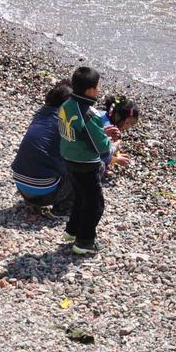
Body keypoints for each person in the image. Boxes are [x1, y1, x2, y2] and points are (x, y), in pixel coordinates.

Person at [57, 66, 119, 255]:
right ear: (91, 90)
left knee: (80, 197)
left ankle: (72, 230)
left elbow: (79, 131)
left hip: (68, 158)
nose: (99, 91)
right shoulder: (90, 114)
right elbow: (102, 149)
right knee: (94, 204)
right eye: (98, 87)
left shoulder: (66, 105)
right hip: (86, 164)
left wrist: (101, 132)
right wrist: (113, 144)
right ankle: (84, 242)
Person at [10, 80, 74, 216]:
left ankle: (32, 198)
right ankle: (62, 208)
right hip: (44, 192)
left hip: (21, 185)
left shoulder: (40, 115)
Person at [99, 95, 139, 175]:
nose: (128, 127)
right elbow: (100, 152)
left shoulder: (103, 114)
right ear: (117, 116)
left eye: (132, 124)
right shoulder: (108, 127)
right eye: (127, 123)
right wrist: (116, 159)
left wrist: (116, 153)